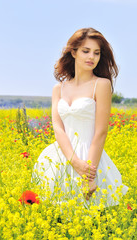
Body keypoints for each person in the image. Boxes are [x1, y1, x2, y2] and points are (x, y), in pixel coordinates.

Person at [33, 28, 129, 208]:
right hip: (61, 157)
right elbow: (58, 128)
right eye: (86, 51)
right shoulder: (58, 89)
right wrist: (74, 161)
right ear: (73, 52)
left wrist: (88, 175)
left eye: (96, 53)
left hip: (90, 159)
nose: (91, 57)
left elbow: (100, 132)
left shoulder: (101, 84)